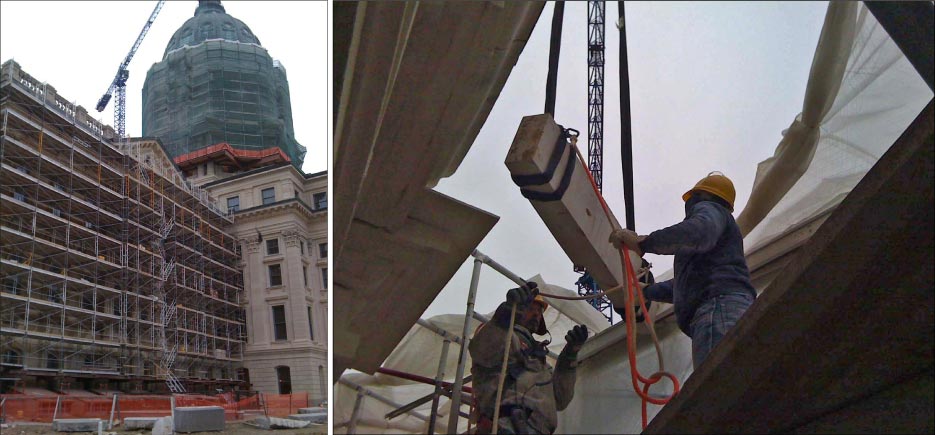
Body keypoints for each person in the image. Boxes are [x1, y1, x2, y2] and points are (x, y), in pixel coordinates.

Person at [609, 172, 756, 369]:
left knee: (718, 387)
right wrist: (645, 292)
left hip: (718, 308)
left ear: (699, 197)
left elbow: (698, 231)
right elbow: (686, 285)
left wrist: (643, 243)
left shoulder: (710, 209)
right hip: (723, 309)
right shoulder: (715, 246)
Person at [469, 282, 588, 434]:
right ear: (519, 309)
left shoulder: (542, 365)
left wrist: (569, 356)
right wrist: (506, 313)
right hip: (505, 427)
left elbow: (561, 399)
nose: (536, 315)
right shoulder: (502, 337)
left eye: (539, 312)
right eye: (531, 308)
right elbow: (484, 350)